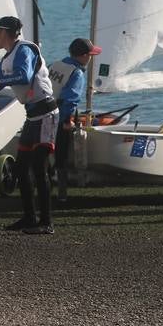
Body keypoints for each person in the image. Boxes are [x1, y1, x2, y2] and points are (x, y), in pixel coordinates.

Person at [0, 16, 58, 234]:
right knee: (22, 169)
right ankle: (30, 218)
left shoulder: (25, 50)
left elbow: (23, 76)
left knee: (39, 170)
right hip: (32, 117)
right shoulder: (5, 60)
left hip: (46, 114)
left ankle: (46, 222)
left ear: (4, 33)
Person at [48, 37, 101, 203]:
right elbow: (69, 100)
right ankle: (62, 195)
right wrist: (66, 122)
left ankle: (44, 190)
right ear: (84, 56)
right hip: (58, 118)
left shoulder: (55, 65)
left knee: (43, 154)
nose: (91, 58)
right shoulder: (76, 73)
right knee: (61, 157)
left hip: (42, 115)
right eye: (90, 54)